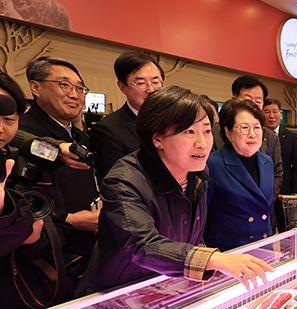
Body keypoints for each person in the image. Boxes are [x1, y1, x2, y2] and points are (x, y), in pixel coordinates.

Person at [76, 86, 272, 296]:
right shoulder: (124, 180)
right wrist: (214, 259)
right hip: (118, 294)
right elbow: (143, 245)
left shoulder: (198, 172)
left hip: (169, 287)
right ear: (157, 137)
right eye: (189, 132)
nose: (203, 143)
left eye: (206, 131)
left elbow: (194, 235)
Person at [19, 56, 99, 266]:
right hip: (43, 255)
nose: (74, 95)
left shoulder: (79, 136)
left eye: (80, 89)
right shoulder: (20, 133)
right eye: (64, 85)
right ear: (35, 87)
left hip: (90, 248)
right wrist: (69, 220)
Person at [0, 75, 66, 309]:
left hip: (24, 297)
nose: (1, 129)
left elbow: (57, 231)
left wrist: (34, 239)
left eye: (9, 119)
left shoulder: (27, 164)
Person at [205, 99, 274, 250]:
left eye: (257, 127)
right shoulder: (212, 164)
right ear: (228, 132)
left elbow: (267, 211)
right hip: (229, 252)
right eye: (244, 127)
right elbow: (202, 217)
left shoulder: (267, 162)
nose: (252, 134)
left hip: (263, 245)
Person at [90, 52, 165, 182]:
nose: (151, 89)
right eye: (141, 83)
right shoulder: (108, 130)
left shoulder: (173, 122)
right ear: (123, 87)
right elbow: (113, 184)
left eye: (155, 82)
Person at [211, 75, 283, 200]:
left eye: (258, 101)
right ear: (234, 99)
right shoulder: (214, 132)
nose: (252, 105)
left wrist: (266, 198)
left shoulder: (271, 136)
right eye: (247, 99)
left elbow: (277, 173)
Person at [264, 98, 297, 233]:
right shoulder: (258, 135)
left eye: (275, 111)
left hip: (285, 192)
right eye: (267, 112)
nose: (271, 115)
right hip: (264, 189)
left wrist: (296, 191)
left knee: (285, 227)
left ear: (280, 114)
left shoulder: (290, 136)